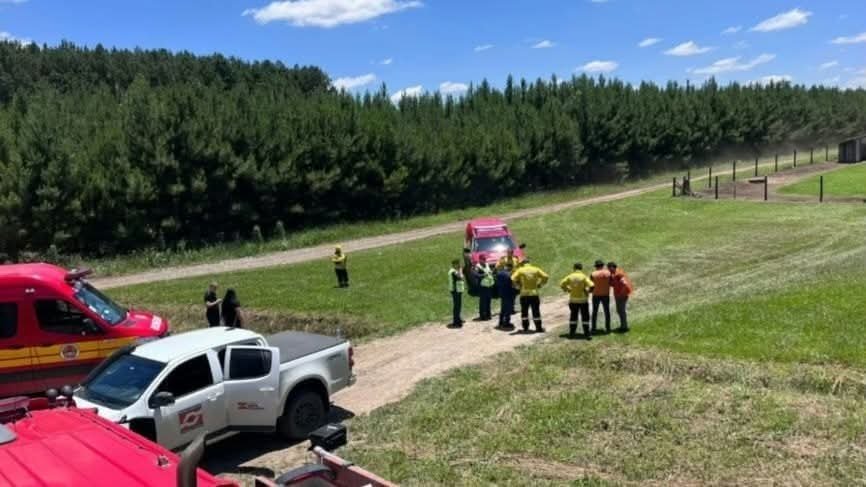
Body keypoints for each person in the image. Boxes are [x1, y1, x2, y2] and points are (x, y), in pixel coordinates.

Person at [511, 258, 549, 333]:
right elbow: (546, 276)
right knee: (536, 311)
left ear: (523, 263)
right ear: (529, 263)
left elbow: (512, 279)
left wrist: (517, 286)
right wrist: (540, 284)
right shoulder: (535, 269)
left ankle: (525, 328)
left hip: (524, 294)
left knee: (524, 312)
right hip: (534, 293)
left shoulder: (520, 270)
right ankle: (538, 328)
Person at [560, 263, 595, 339]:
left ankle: (572, 333)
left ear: (574, 268)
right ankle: (587, 333)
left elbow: (562, 284)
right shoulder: (583, 277)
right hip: (583, 301)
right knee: (585, 317)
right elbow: (592, 285)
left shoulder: (570, 276)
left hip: (573, 300)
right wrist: (588, 291)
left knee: (573, 317)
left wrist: (568, 289)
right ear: (581, 268)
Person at [608, 262, 633, 332]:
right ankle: (623, 326)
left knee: (621, 311)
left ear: (613, 267)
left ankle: (624, 327)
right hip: (620, 295)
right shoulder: (614, 274)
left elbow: (625, 284)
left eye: (609, 267)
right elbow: (615, 284)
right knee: (620, 310)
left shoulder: (618, 274)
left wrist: (621, 293)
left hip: (622, 295)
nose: (608, 269)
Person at [591, 260, 612, 334]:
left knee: (594, 312)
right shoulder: (608, 273)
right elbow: (611, 282)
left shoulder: (593, 274)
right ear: (603, 265)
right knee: (607, 311)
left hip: (596, 295)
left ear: (596, 266)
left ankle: (593, 328)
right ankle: (608, 328)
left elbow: (591, 285)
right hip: (605, 295)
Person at [475, 256, 495, 321]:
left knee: (488, 301)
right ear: (480, 260)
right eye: (483, 259)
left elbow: (489, 271)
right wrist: (483, 275)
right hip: (482, 287)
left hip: (489, 286)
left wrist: (491, 272)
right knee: (483, 302)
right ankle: (482, 315)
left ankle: (488, 314)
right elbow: (476, 275)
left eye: (485, 259)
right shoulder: (477, 267)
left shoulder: (487, 264)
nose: (484, 260)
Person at [495, 265, 515, 330]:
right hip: (509, 294)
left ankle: (500, 322)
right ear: (509, 269)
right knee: (508, 309)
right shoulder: (509, 275)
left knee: (503, 308)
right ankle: (506, 323)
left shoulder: (499, 274)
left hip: (502, 293)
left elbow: (497, 283)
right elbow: (512, 284)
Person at [448, 259, 465, 328]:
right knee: (457, 306)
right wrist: (460, 270)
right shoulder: (453, 271)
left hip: (457, 290)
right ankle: (456, 321)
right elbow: (460, 277)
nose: (459, 265)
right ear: (454, 264)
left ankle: (458, 319)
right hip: (455, 291)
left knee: (458, 306)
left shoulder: (455, 271)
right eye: (458, 264)